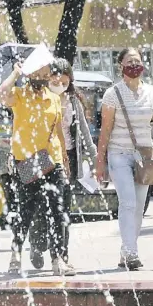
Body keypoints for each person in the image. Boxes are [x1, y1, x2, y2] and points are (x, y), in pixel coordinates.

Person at [96, 48, 153, 270]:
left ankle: (126, 251)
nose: (134, 64)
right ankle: (132, 253)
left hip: (144, 155)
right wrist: (100, 162)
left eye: (138, 60)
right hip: (119, 153)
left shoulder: (152, 93)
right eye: (129, 61)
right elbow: (105, 130)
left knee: (139, 206)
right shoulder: (112, 94)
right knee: (128, 202)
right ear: (120, 66)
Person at [0, 57, 76, 276]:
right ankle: (15, 255)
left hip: (52, 160)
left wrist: (66, 159)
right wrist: (15, 73)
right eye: (36, 74)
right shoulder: (20, 95)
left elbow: (58, 129)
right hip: (29, 161)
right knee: (26, 211)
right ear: (29, 74)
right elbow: (1, 94)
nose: (40, 78)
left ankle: (57, 259)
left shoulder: (54, 98)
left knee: (57, 210)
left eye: (44, 74)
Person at [27, 58, 97, 269]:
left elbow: (84, 133)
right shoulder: (38, 98)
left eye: (63, 78)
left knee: (63, 209)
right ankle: (37, 244)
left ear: (69, 79)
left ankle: (62, 257)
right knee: (40, 206)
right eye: (54, 77)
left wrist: (95, 161)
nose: (58, 81)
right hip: (40, 157)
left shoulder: (73, 101)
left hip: (66, 159)